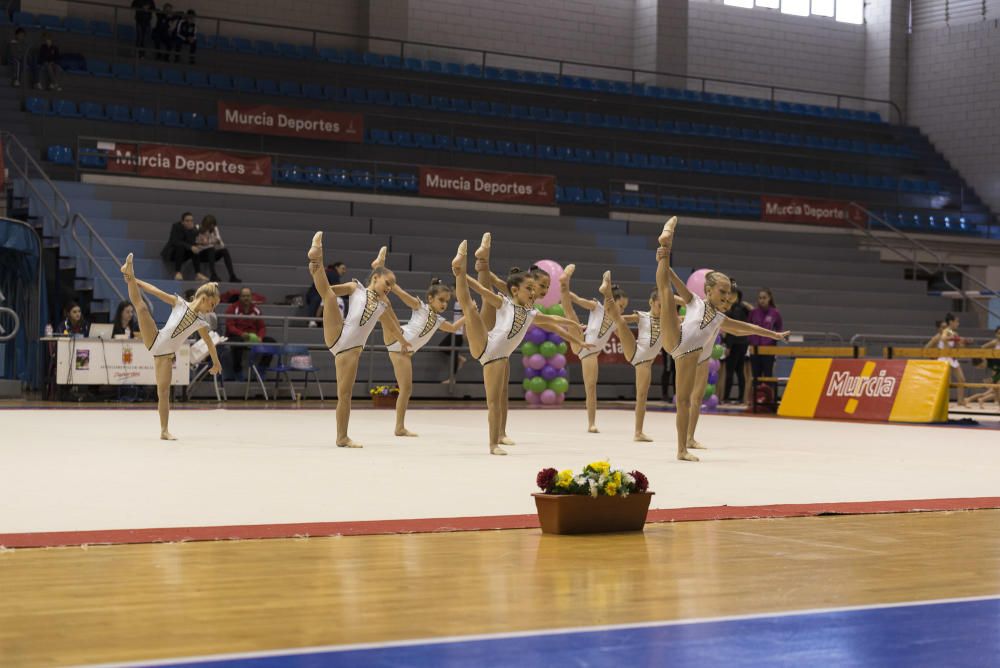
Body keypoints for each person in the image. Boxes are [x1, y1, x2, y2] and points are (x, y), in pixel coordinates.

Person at [451, 234, 593, 455]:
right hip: (487, 345)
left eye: (537, 290)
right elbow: (484, 290)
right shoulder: (506, 303)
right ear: (517, 290)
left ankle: (496, 441)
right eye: (532, 288)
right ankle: (461, 263)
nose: (535, 293)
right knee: (470, 308)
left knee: (495, 401)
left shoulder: (531, 313)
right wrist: (463, 276)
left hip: (495, 357)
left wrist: (576, 331)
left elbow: (554, 322)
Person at [307, 234, 412, 448]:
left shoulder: (383, 306)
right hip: (338, 333)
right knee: (328, 296)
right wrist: (320, 279)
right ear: (375, 279)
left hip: (350, 351)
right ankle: (316, 259)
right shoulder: (356, 288)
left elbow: (392, 326)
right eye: (387, 283)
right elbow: (329, 291)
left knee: (344, 395)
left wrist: (403, 341)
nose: (390, 287)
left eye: (392, 285)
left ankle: (341, 437)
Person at [119, 253, 221, 439]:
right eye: (212, 305)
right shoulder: (179, 303)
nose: (211, 310)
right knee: (141, 308)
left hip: (165, 354)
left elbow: (209, 344)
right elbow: (155, 291)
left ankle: (164, 430)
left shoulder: (201, 322)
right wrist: (135, 281)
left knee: (163, 392)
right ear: (205, 298)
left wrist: (216, 363)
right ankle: (129, 271)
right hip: (155, 338)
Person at [375, 252, 464, 436]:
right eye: (441, 300)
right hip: (398, 337)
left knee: (406, 390)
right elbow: (399, 291)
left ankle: (399, 427)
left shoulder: (439, 320)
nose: (444, 304)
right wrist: (389, 280)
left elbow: (453, 327)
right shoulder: (419, 306)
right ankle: (378, 268)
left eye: (447, 301)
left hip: (404, 352)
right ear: (430, 299)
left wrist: (468, 315)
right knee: (386, 304)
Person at [559, 263, 632, 433]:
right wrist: (566, 293)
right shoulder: (597, 307)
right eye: (620, 306)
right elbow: (577, 300)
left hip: (588, 351)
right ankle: (564, 283)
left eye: (624, 308)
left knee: (591, 388)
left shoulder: (616, 321)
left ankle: (591, 423)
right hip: (585, 347)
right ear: (611, 301)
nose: (621, 310)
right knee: (570, 314)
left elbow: (625, 332)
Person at [225, 287, 275, 381]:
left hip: (253, 338)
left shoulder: (256, 310)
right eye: (244, 296)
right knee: (237, 343)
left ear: (251, 297)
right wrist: (241, 334)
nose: (246, 298)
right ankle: (237, 371)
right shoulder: (232, 308)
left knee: (271, 342)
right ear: (240, 297)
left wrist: (260, 337)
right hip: (238, 336)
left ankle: (262, 369)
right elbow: (230, 326)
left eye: (248, 296)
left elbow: (262, 327)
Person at [926, 313, 969, 407]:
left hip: (952, 358)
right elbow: (944, 338)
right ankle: (941, 402)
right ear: (951, 322)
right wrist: (957, 338)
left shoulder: (955, 333)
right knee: (945, 381)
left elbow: (957, 347)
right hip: (944, 358)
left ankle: (960, 401)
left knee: (961, 379)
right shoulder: (946, 330)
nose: (958, 323)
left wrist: (963, 342)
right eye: (957, 321)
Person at [748, 288, 783, 392]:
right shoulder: (753, 312)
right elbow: (747, 327)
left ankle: (768, 399)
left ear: (769, 298)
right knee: (756, 376)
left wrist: (774, 340)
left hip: (769, 349)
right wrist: (750, 341)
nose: (762, 300)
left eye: (764, 298)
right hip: (755, 349)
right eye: (760, 298)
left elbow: (779, 329)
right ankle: (755, 400)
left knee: (768, 375)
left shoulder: (775, 313)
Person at [723, 288, 751, 403]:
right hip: (743, 343)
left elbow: (732, 330)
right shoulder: (744, 309)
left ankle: (726, 397)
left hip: (735, 344)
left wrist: (728, 346)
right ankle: (740, 397)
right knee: (740, 372)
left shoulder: (734, 310)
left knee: (730, 371)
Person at [160, 212, 207, 280]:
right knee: (181, 246)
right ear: (182, 222)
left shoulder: (194, 229)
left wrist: (199, 244)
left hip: (184, 254)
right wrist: (191, 247)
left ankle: (198, 274)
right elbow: (175, 241)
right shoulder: (176, 226)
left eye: (191, 220)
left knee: (195, 249)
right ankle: (178, 272)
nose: (190, 222)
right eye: (187, 221)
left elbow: (192, 242)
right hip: (172, 253)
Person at [196, 215, 240, 283]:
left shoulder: (215, 229)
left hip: (212, 254)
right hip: (201, 255)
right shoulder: (198, 228)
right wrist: (212, 242)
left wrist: (209, 243)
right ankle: (213, 275)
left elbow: (221, 244)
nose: (212, 227)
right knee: (210, 249)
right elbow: (198, 244)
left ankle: (232, 276)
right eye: (210, 225)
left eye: (213, 225)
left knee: (224, 251)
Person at [967, 327, 1000, 410]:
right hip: (995, 364)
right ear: (996, 334)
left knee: (995, 387)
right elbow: (981, 348)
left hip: (996, 364)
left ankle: (975, 399)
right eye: (998, 333)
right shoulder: (994, 342)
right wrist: (981, 356)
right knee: (995, 387)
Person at [306, 261, 347, 327]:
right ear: (336, 267)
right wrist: (348, 294)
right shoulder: (333, 273)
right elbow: (337, 288)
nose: (344, 271)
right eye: (343, 268)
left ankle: (315, 321)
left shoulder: (330, 272)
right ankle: (312, 320)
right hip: (315, 294)